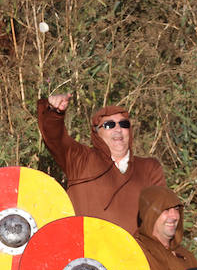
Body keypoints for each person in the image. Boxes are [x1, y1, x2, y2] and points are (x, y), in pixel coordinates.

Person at [37, 93, 165, 234]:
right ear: (97, 133)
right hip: (87, 252)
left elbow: (161, 215)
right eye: (109, 125)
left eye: (124, 124)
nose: (118, 129)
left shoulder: (149, 168)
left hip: (134, 253)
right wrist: (55, 113)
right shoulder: (80, 160)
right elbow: (55, 138)